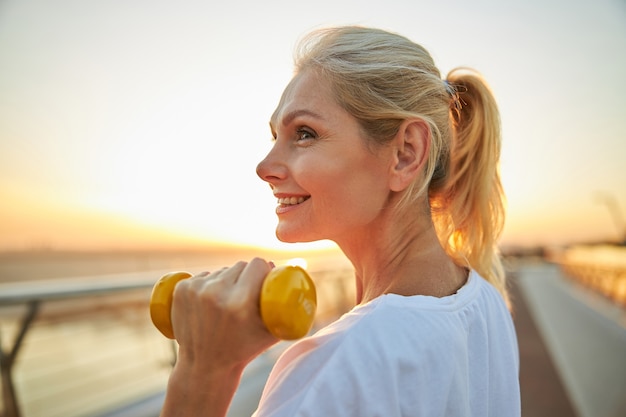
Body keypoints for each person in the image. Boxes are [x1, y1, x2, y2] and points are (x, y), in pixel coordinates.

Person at [161, 26, 520, 417]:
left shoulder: (341, 364)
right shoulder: (486, 303)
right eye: (274, 136)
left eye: (304, 134)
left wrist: (201, 372)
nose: (265, 168)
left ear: (405, 153)